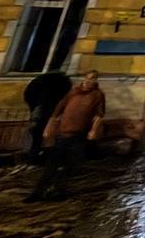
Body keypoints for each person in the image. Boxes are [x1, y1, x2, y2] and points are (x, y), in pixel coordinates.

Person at [26, 70, 105, 203]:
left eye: (94, 79)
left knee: (69, 165)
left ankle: (58, 190)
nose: (91, 81)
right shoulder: (73, 92)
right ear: (84, 78)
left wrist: (93, 131)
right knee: (52, 164)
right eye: (89, 77)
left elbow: (99, 115)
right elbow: (57, 111)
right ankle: (38, 192)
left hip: (79, 136)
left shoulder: (97, 95)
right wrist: (49, 128)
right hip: (62, 134)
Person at [23, 70, 72, 163]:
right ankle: (43, 157)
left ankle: (33, 156)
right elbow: (64, 99)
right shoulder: (62, 83)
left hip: (38, 111)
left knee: (36, 135)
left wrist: (33, 107)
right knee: (46, 136)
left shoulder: (37, 82)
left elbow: (28, 95)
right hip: (49, 115)